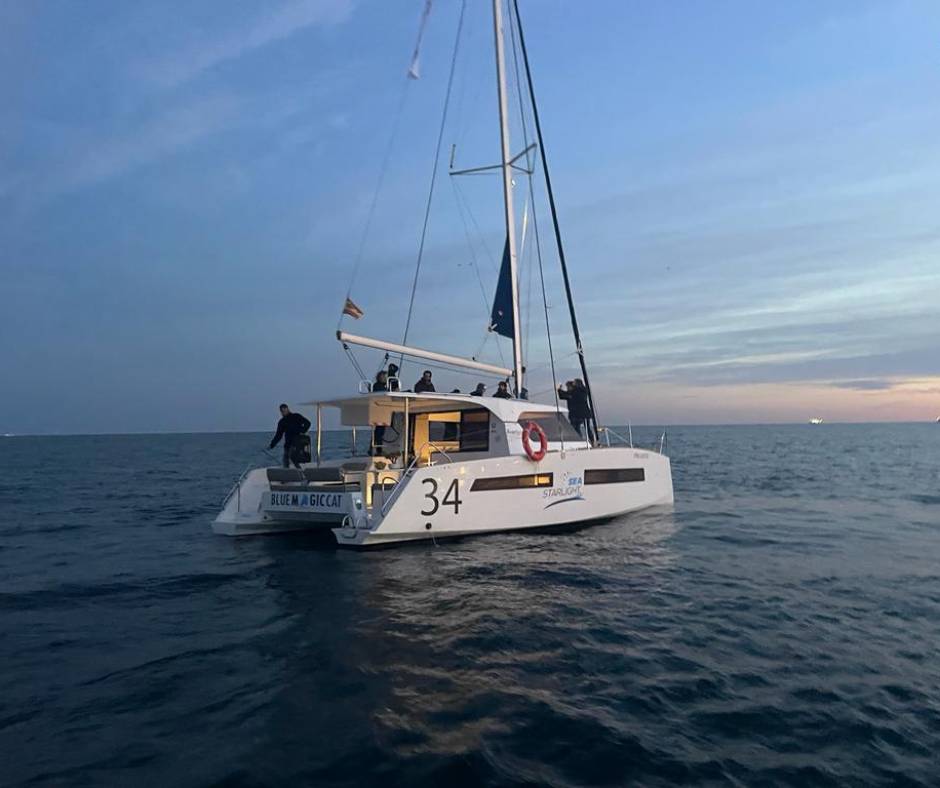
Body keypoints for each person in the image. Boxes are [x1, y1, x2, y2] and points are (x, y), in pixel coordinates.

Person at [268, 404, 311, 469]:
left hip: (297, 443)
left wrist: (302, 431)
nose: (284, 412)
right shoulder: (282, 422)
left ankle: (300, 473)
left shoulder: (296, 416)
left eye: (285, 410)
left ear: (288, 409)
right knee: (286, 460)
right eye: (282, 411)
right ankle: (287, 473)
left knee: (293, 458)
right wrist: (272, 445)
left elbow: (308, 423)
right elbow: (278, 435)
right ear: (281, 412)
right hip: (288, 444)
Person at [371, 371, 388, 454]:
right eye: (384, 377)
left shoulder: (382, 387)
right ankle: (377, 450)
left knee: (379, 432)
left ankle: (375, 449)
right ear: (380, 377)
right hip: (379, 412)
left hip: (382, 411)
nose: (385, 379)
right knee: (379, 432)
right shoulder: (377, 386)